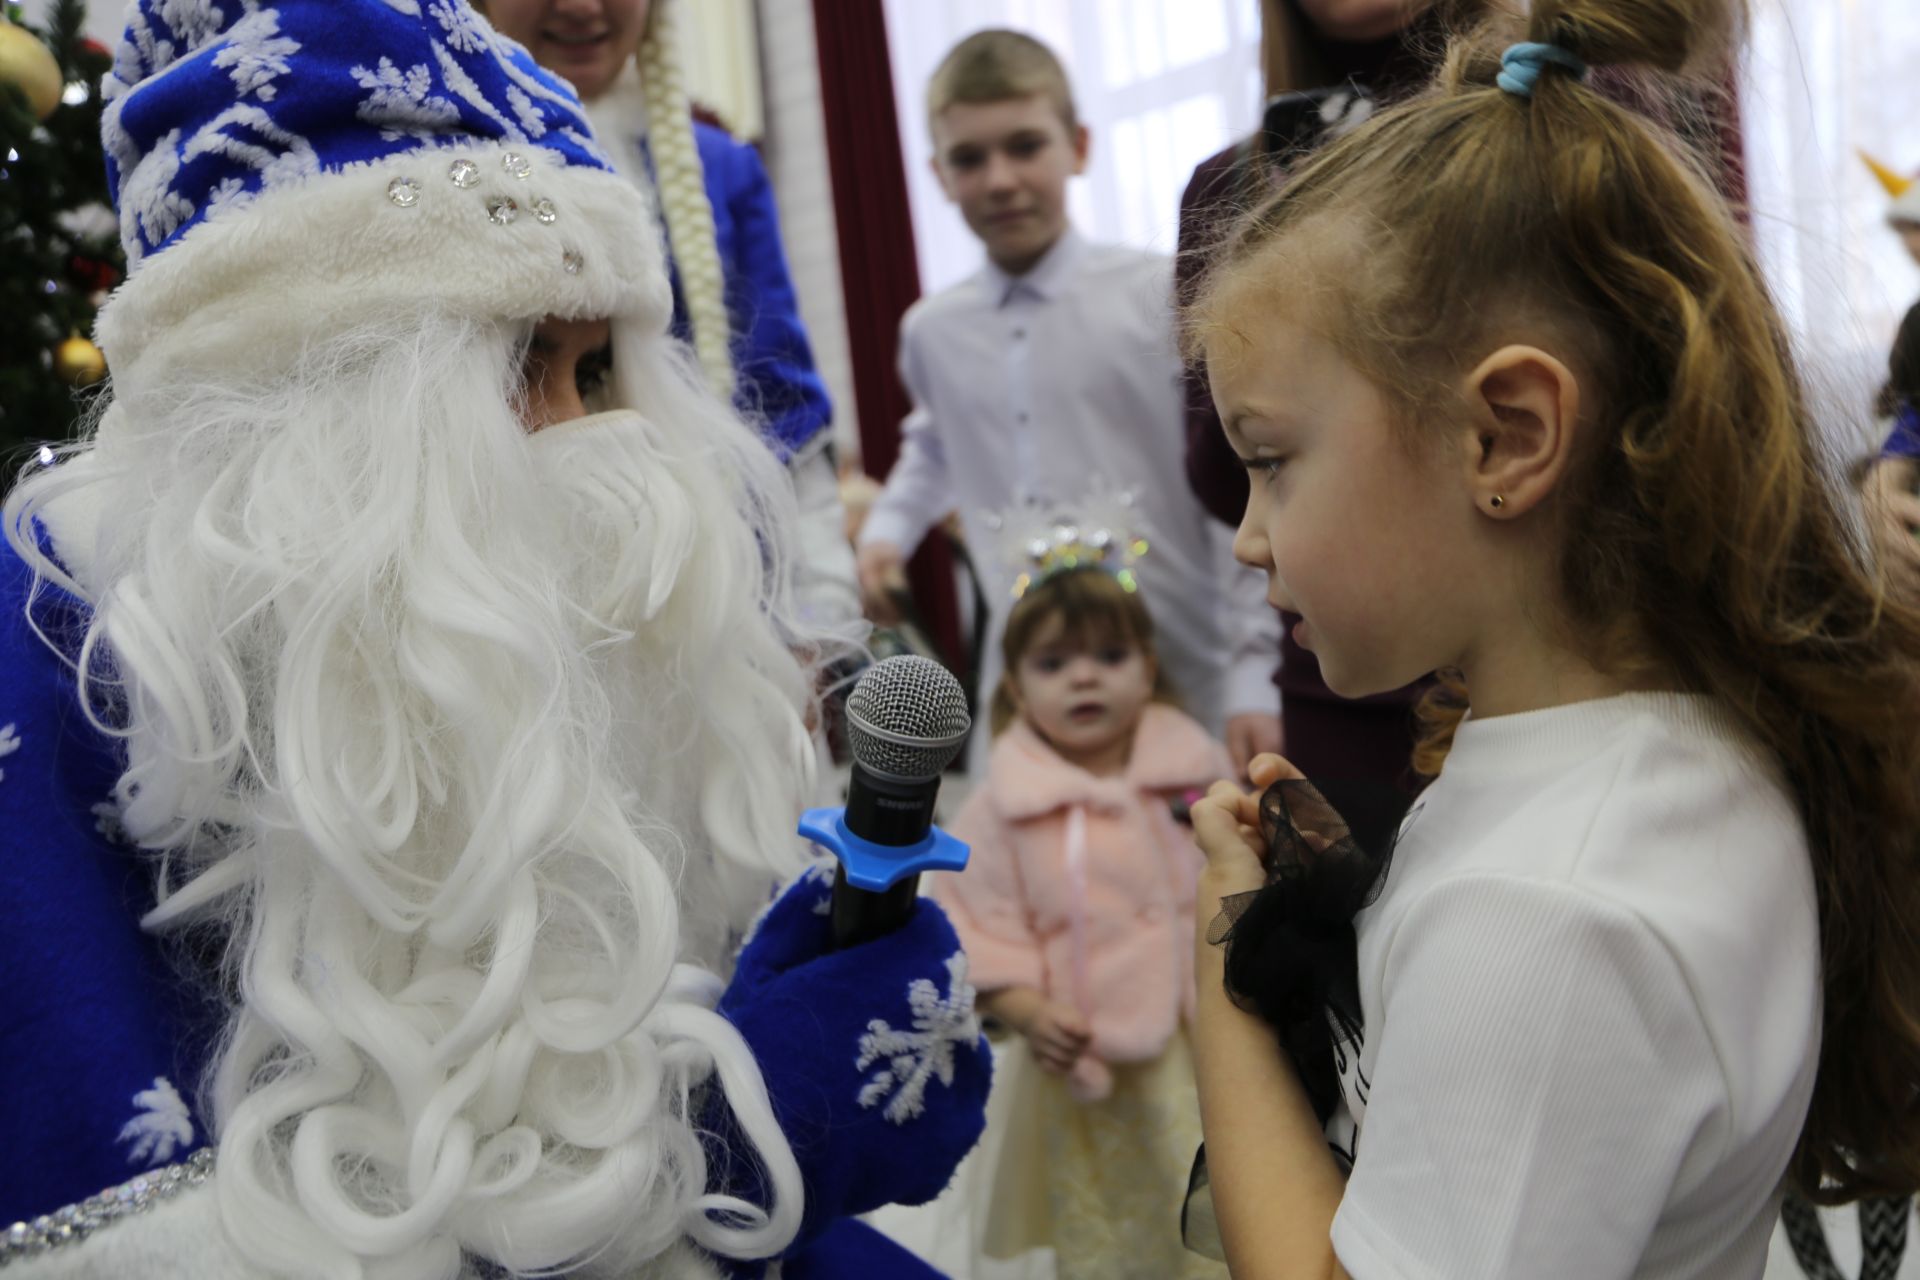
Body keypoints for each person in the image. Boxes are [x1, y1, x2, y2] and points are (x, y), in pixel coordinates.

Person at [0, 3, 988, 1277]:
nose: (593, 444)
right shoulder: (70, 666)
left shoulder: (438, 619)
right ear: (319, 405)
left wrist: (724, 1044)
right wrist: (731, 1145)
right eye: (525, 358)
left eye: (600, 373)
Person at [1182, 0, 1920, 1276]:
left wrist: (1227, 987)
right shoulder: (1671, 744)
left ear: (1507, 435)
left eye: (1273, 460)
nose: (1249, 536)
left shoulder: (1545, 913)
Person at [854, 29, 1281, 774]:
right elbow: (935, 445)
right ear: (938, 174)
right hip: (1024, 688)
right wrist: (886, 533)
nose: (999, 179)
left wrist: (1254, 674)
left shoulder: (1157, 296)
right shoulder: (932, 331)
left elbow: (1231, 481)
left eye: (1025, 146)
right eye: (969, 158)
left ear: (1078, 146)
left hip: (1181, 670)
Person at [1175, 0, 1486, 793]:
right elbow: (1220, 478)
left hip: (1535, 654)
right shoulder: (1230, 187)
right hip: (1340, 679)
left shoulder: (1538, 125)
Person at [480, 0, 860, 636]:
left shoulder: (724, 171)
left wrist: (818, 631)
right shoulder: (414, 169)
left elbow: (782, 413)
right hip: (520, 611)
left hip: (724, 615)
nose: (583, 7)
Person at [931, 514, 1229, 1280]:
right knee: (1108, 1224)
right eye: (1055, 662)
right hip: (1087, 1064)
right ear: (1017, 686)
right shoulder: (1007, 805)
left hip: (1205, 1051)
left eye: (1109, 655)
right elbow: (971, 913)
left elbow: (1234, 877)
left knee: (1214, 1207)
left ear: (1149, 663)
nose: (1085, 677)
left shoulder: (1192, 775)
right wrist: (1025, 1005)